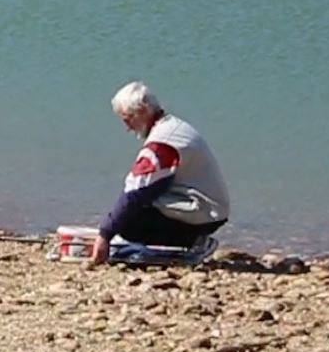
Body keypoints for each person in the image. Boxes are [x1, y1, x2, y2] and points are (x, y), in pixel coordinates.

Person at [93, 81, 230, 265]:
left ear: (142, 112)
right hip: (210, 207)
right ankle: (190, 240)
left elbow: (136, 192)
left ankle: (193, 242)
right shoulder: (172, 126)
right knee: (129, 212)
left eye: (127, 120)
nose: (127, 128)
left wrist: (105, 234)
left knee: (130, 222)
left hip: (204, 212)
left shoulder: (162, 143)